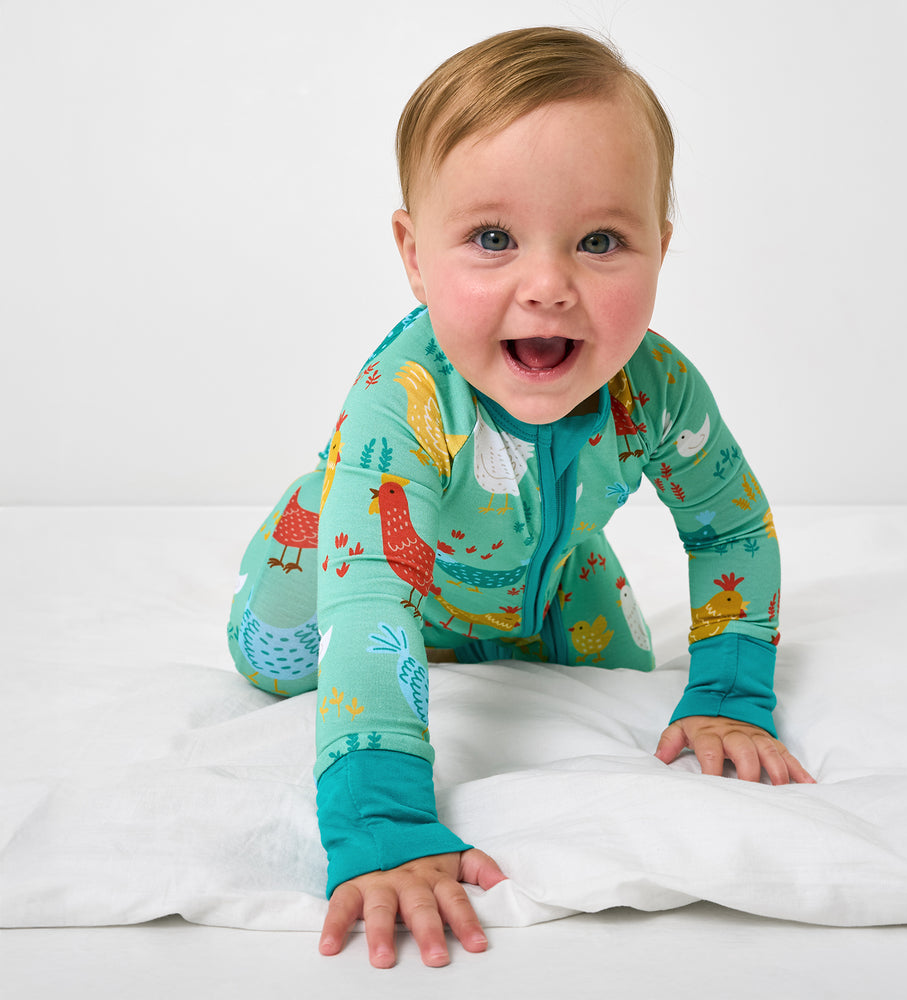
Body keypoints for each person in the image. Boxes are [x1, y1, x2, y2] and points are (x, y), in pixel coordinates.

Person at [227, 25, 814, 969]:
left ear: (661, 249)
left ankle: (495, 619)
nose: (548, 285)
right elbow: (371, 594)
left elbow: (731, 524)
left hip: (535, 580)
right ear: (415, 255)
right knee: (278, 656)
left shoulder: (658, 389)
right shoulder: (404, 398)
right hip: (361, 559)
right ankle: (325, 538)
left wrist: (730, 693)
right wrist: (383, 822)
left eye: (600, 241)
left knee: (621, 670)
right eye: (493, 239)